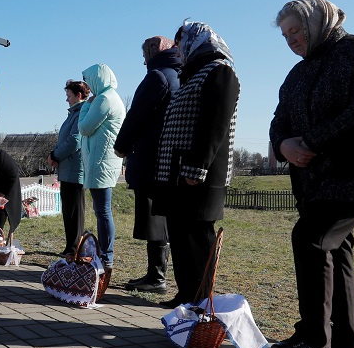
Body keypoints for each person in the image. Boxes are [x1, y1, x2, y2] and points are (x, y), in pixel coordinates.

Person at [269, 0, 354, 348]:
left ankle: (314, 334)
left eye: (297, 30)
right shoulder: (297, 73)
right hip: (315, 178)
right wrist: (283, 144)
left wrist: (310, 142)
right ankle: (346, 344)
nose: (292, 39)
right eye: (286, 35)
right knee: (335, 247)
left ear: (318, 22)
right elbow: (279, 117)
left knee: (310, 237)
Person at [152, 21, 240, 308]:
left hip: (199, 175)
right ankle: (187, 293)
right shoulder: (192, 74)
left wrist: (196, 167)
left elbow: (214, 124)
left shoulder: (220, 71)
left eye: (180, 44)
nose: (177, 50)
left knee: (198, 239)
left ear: (195, 41)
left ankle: (202, 299)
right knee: (180, 236)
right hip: (179, 172)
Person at [113, 36, 182, 294]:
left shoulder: (158, 77)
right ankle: (157, 275)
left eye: (144, 55)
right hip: (169, 159)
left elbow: (137, 116)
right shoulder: (179, 74)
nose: (143, 60)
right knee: (162, 219)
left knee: (154, 219)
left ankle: (156, 277)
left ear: (153, 52)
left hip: (152, 158)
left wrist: (122, 145)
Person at [78, 64, 125, 271]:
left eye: (90, 82)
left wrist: (86, 105)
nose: (89, 87)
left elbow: (85, 128)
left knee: (103, 211)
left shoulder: (104, 99)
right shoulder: (110, 97)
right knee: (101, 210)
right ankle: (106, 255)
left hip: (101, 161)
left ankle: (106, 256)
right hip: (103, 161)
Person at [48, 80, 88, 256]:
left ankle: (75, 247)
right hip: (67, 170)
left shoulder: (81, 113)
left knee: (75, 212)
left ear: (78, 96)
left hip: (74, 170)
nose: (67, 100)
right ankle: (70, 245)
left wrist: (55, 155)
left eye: (69, 96)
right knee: (68, 211)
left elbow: (74, 141)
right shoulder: (73, 113)